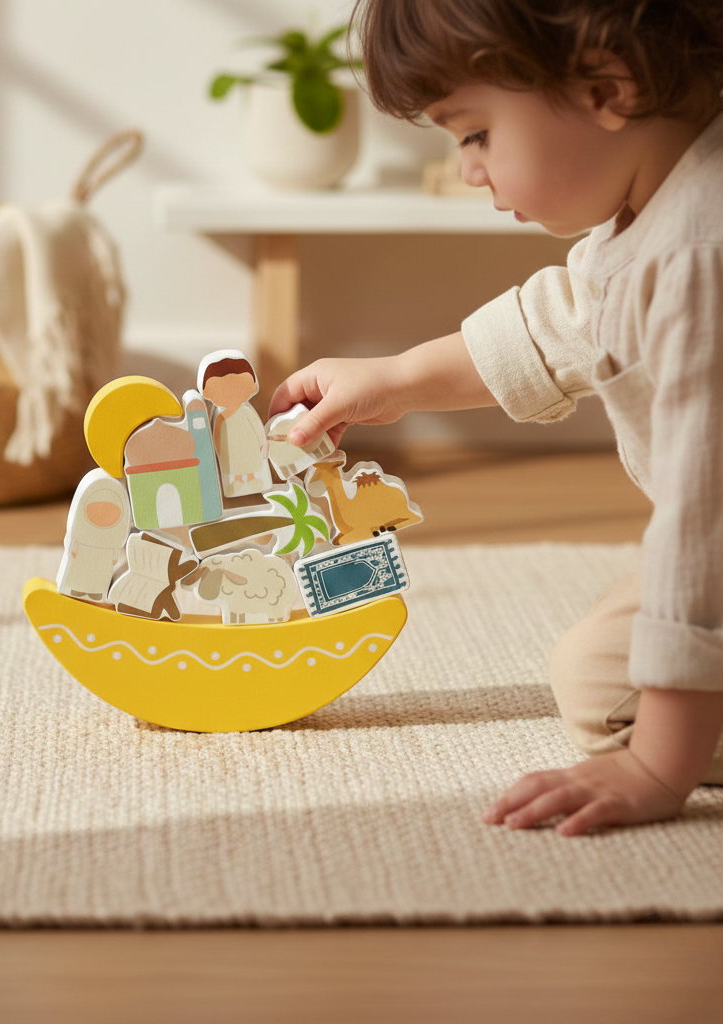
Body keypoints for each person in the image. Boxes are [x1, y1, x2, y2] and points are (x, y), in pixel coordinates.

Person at [269, 0, 723, 836]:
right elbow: (565, 321)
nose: (470, 170)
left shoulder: (701, 255)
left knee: (609, 692)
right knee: (605, 665)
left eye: (475, 134)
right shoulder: (666, 204)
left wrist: (659, 766)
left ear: (606, 87)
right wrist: (395, 379)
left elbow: (708, 525)